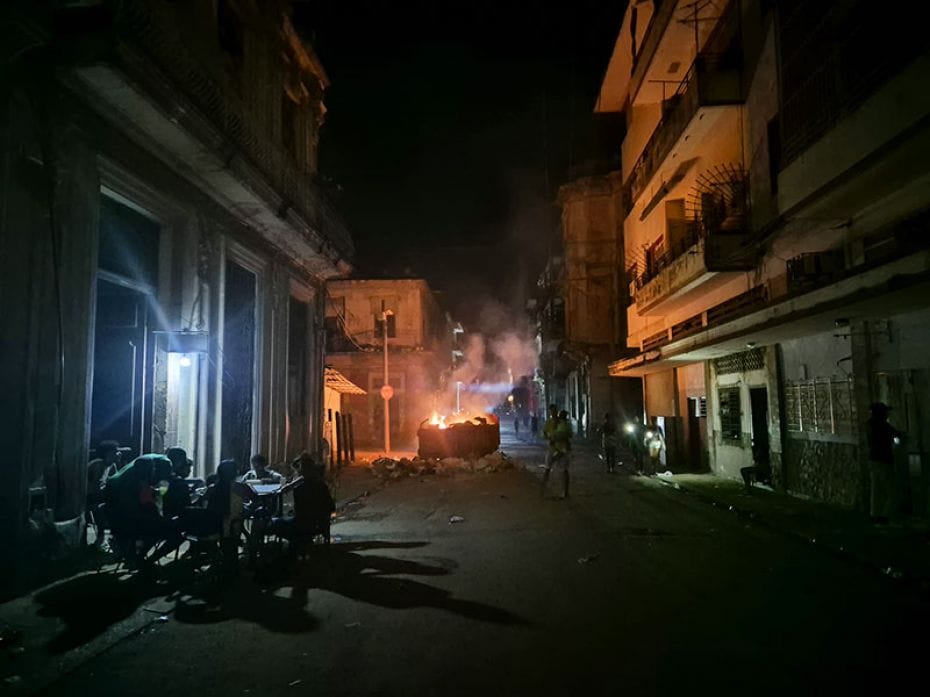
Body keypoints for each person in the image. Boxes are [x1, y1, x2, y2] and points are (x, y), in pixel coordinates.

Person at [104, 454, 182, 567]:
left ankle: (133, 557)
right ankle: (143, 560)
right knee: (170, 532)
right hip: (134, 525)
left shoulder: (135, 482)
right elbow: (146, 510)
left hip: (123, 521)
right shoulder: (163, 463)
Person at [268, 454, 335, 553]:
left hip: (303, 524)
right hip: (320, 523)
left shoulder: (300, 489)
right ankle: (301, 543)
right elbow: (331, 506)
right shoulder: (321, 485)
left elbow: (299, 512)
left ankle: (295, 544)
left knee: (274, 523)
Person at [866, 402, 903, 524]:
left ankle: (874, 515)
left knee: (876, 490)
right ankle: (885, 517)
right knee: (893, 491)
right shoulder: (882, 425)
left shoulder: (870, 425)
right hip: (883, 460)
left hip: (873, 459)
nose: (887, 414)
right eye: (885, 412)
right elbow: (897, 434)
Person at [86, 440, 121, 545]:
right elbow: (95, 489)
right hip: (88, 498)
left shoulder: (111, 466)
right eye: (116, 452)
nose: (119, 454)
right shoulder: (98, 465)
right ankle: (101, 539)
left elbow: (114, 482)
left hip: (99, 496)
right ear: (108, 454)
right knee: (102, 510)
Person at [541, 407, 572, 499]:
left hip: (561, 449)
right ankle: (543, 490)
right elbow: (544, 434)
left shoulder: (562, 423)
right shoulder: (549, 422)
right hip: (553, 448)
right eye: (551, 411)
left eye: (554, 411)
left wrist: (555, 437)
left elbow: (568, 434)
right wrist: (550, 437)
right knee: (547, 469)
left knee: (563, 470)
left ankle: (565, 492)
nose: (553, 413)